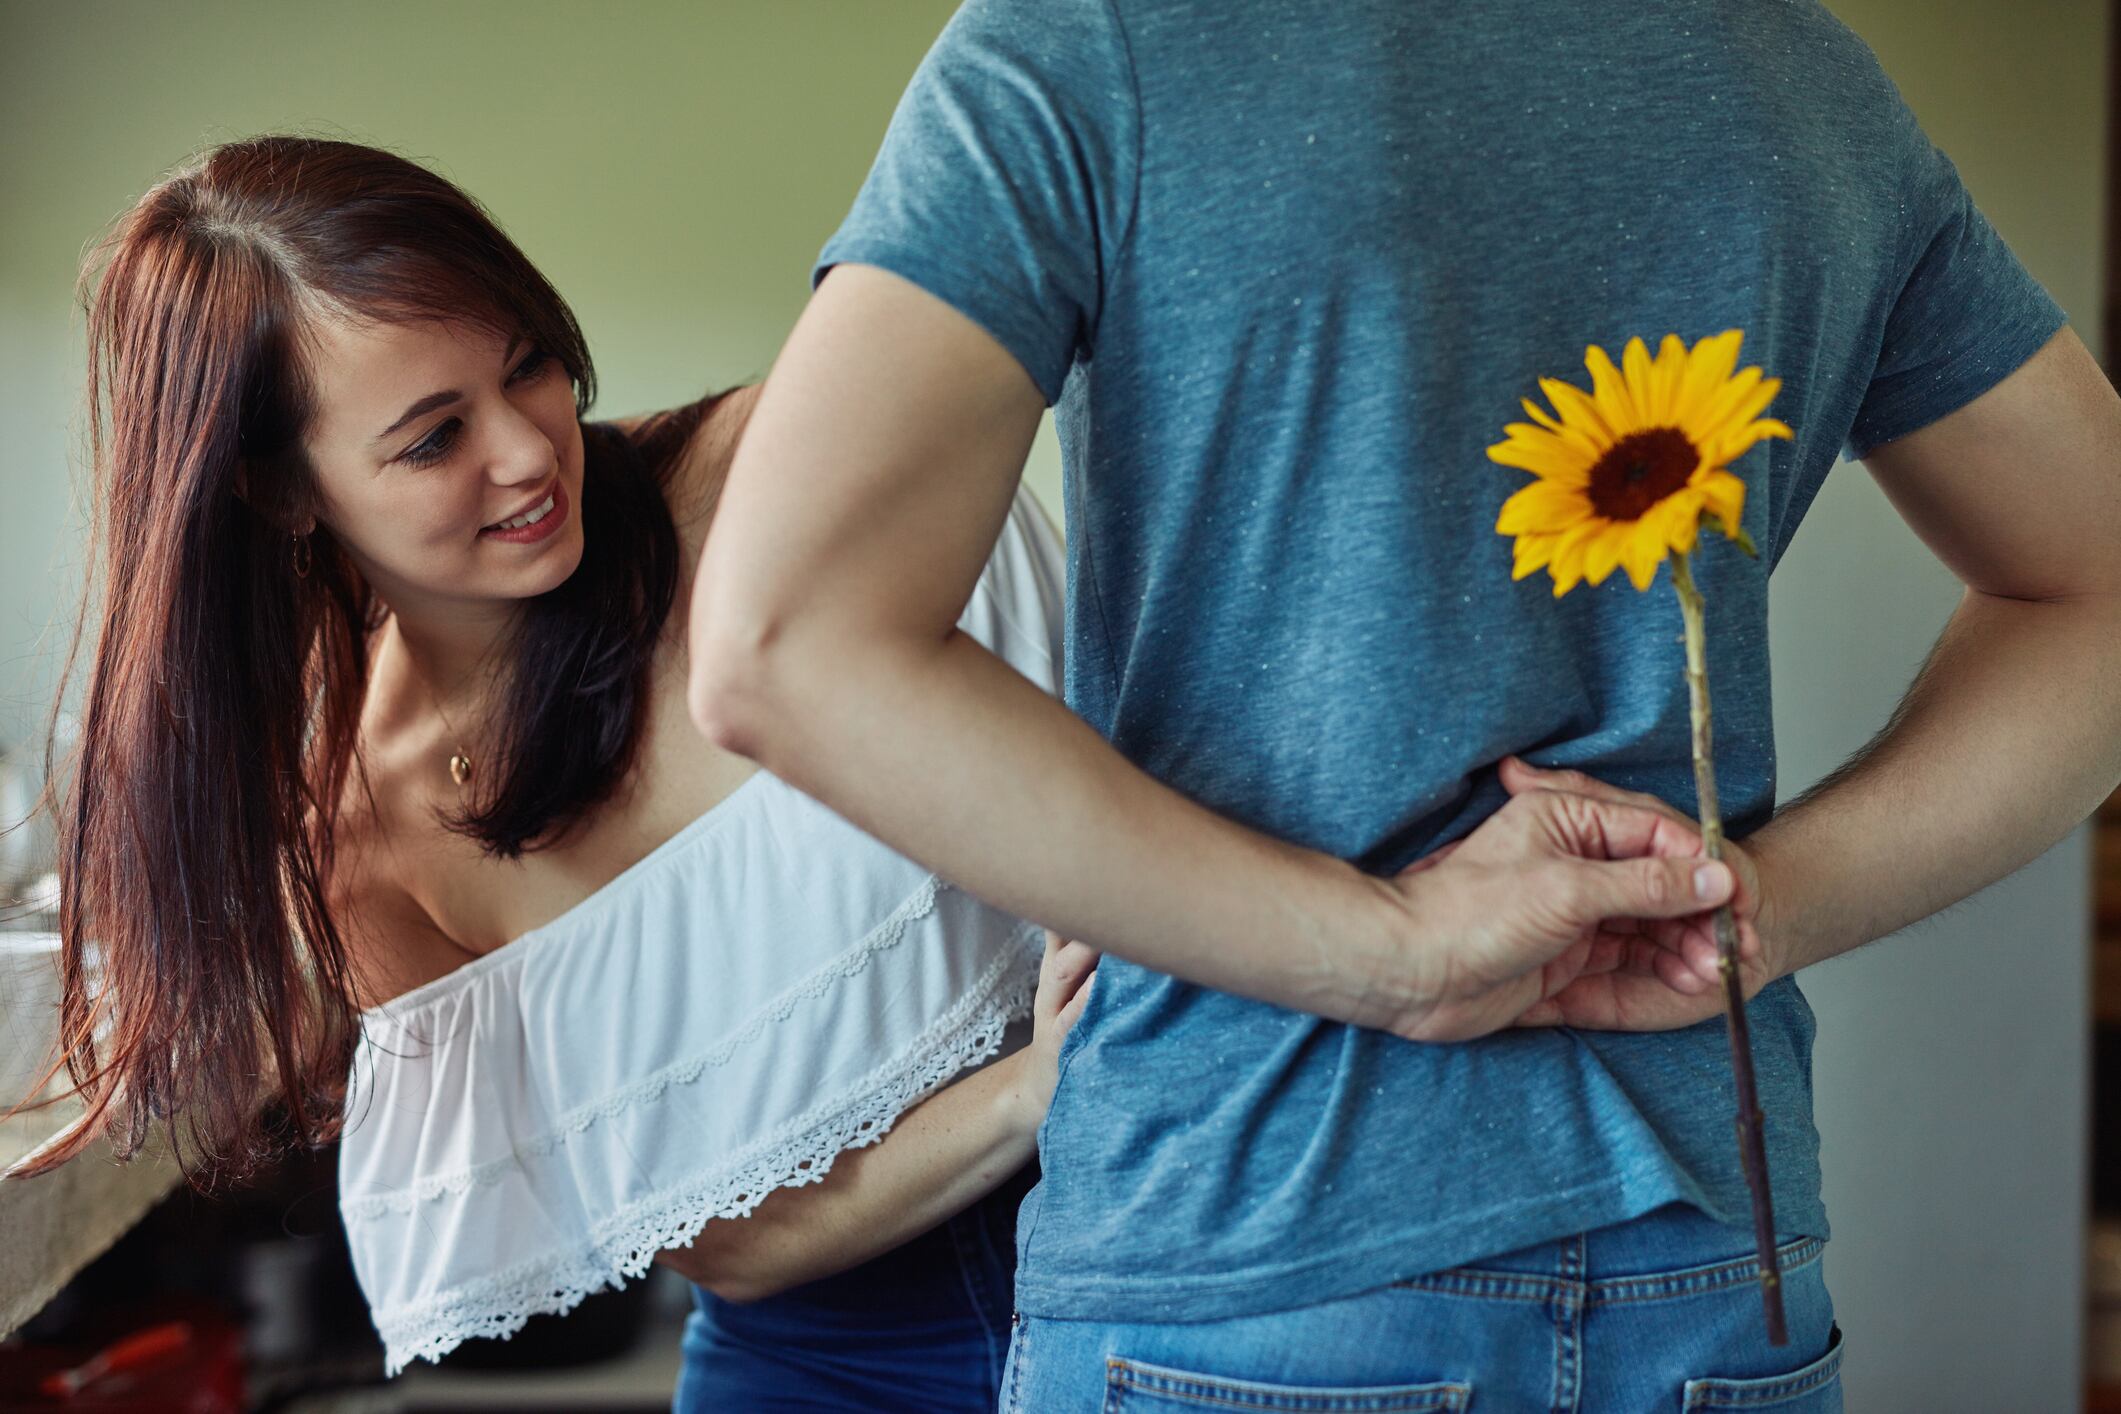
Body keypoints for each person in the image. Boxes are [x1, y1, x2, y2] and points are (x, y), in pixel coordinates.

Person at [685, 0, 2121, 1407]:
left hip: (1248, 1244)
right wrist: (1754, 908)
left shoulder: (1091, 39)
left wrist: (1397, 953)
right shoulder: (1793, 71)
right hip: (1708, 1275)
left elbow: (785, 641)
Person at [32, 134, 1103, 1412]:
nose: (532, 451)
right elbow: (726, 1240)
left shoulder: (772, 481)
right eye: (434, 439)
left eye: (529, 364)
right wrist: (1037, 1085)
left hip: (1131, 1248)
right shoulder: (368, 842)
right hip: (822, 1357)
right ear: (280, 492)